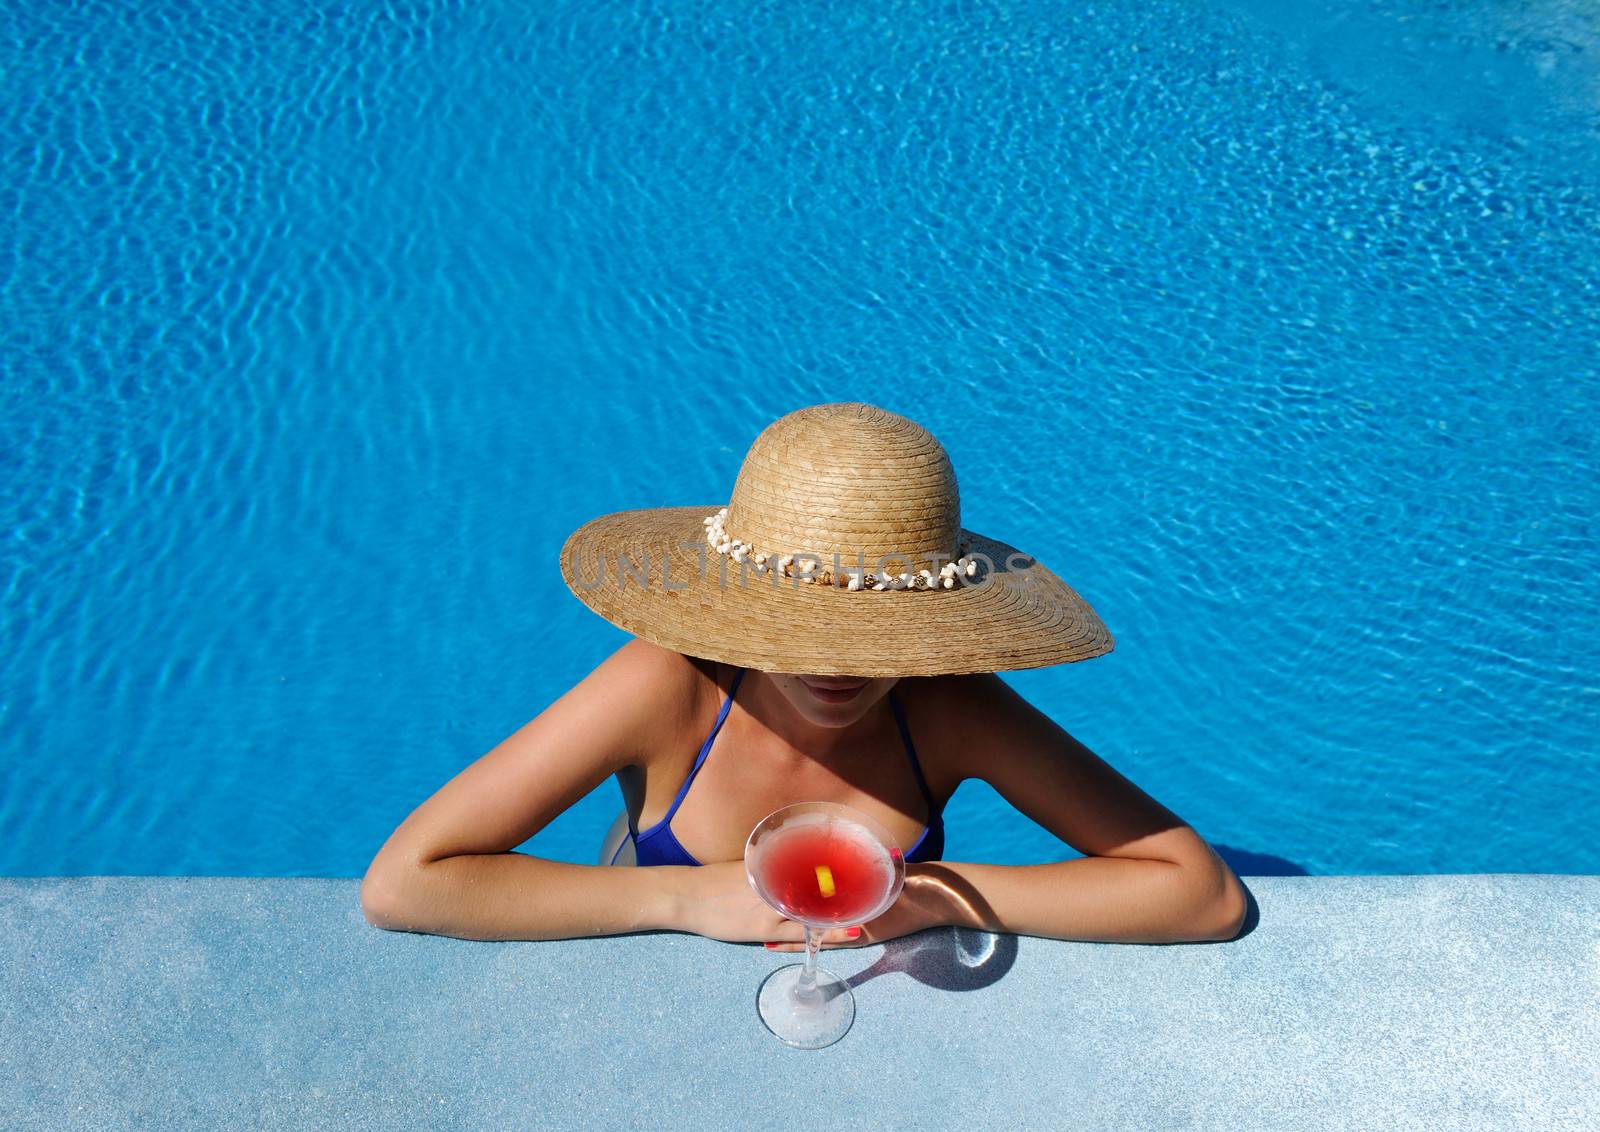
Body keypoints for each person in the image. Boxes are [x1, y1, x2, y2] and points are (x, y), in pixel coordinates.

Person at [361, 403, 1247, 951]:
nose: (835, 667)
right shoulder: (670, 687)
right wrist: (680, 897)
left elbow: (1199, 894)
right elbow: (407, 880)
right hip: (650, 932)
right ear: (736, 610)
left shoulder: (949, 707)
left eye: (873, 633)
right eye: (799, 628)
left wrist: (934, 898)